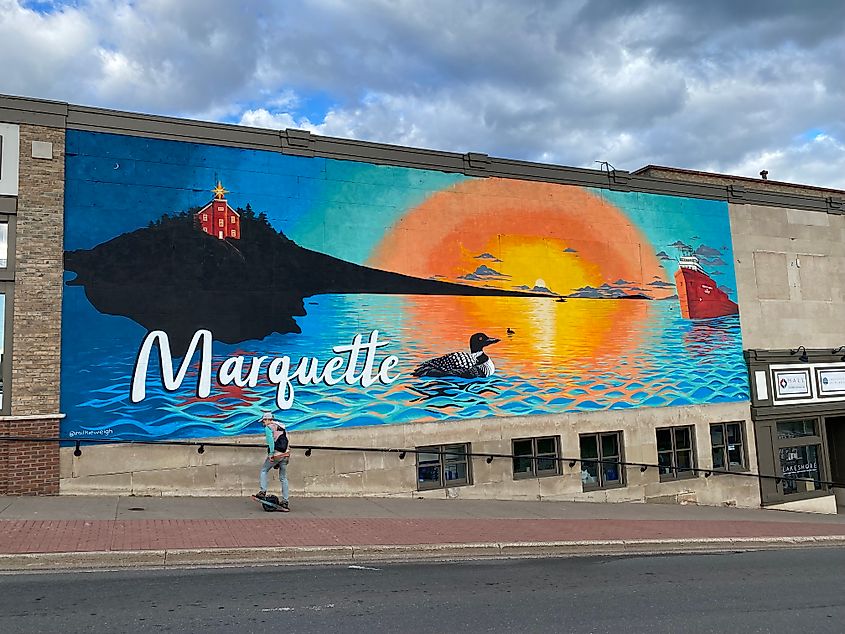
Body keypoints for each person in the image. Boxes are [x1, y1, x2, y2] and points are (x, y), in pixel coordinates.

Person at [256, 411, 290, 510]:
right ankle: (285, 501)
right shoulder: (282, 427)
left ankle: (263, 491)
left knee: (264, 470)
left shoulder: (269, 428)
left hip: (277, 454)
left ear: (268, 420)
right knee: (283, 478)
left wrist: (271, 455)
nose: (263, 424)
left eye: (263, 421)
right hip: (286, 454)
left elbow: (271, 442)